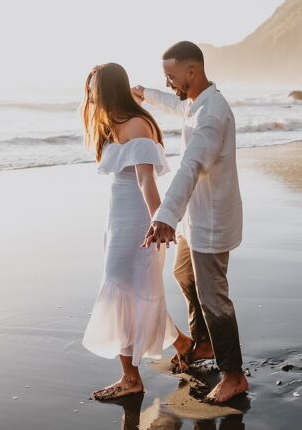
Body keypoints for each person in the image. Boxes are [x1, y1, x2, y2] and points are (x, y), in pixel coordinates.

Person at [134, 41, 249, 405]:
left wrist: (164, 215)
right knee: (184, 274)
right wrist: (145, 94)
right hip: (195, 219)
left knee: (214, 298)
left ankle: (233, 376)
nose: (168, 83)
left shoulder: (212, 115)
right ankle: (202, 343)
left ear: (192, 72)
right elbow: (176, 106)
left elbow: (190, 167)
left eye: (171, 76)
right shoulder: (197, 104)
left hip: (211, 222)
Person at [81, 62, 194, 401]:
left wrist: (161, 222)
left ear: (108, 90)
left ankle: (130, 378)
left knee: (121, 289)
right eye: (88, 90)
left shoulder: (137, 125)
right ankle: (181, 342)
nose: (90, 96)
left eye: (94, 89)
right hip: (117, 219)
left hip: (139, 222)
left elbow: (146, 181)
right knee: (132, 288)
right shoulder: (112, 124)